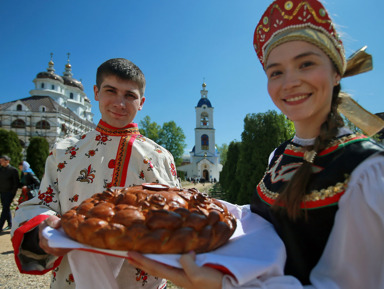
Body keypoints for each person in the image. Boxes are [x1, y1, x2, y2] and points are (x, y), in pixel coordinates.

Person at [127, 0, 384, 288]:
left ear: (337, 72)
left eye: (306, 64)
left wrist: (226, 285)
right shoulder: (282, 154)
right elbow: (262, 223)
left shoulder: (367, 171)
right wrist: (191, 207)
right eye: (276, 72)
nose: (290, 82)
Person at [11, 58, 180, 289]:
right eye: (111, 91)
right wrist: (44, 225)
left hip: (139, 280)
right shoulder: (64, 151)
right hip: (73, 278)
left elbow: (177, 215)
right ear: (96, 92)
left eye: (130, 95)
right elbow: (43, 202)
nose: (120, 103)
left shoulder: (160, 157)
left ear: (141, 102)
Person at [0, 155, 20, 232]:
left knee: (5, 209)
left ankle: (0, 226)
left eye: (1, 161)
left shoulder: (13, 170)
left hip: (10, 193)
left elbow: (16, 183)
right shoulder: (0, 170)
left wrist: (13, 193)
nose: (0, 162)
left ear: (7, 161)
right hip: (2, 192)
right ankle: (10, 224)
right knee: (6, 207)